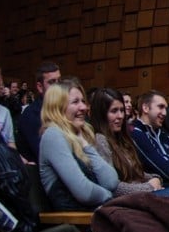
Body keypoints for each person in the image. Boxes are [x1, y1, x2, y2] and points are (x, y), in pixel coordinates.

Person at [89, 88, 169, 202]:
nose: (120, 116)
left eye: (122, 110)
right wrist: (148, 187)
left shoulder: (120, 138)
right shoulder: (100, 140)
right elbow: (113, 187)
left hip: (143, 192)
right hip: (128, 201)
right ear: (101, 114)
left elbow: (136, 173)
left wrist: (155, 178)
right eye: (114, 111)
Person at [38, 79, 118, 210]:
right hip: (78, 221)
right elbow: (84, 192)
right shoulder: (52, 135)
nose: (84, 107)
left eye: (83, 101)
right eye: (75, 102)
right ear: (57, 107)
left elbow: (111, 181)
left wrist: (85, 144)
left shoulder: (78, 135)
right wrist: (109, 196)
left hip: (98, 214)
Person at [17, 61, 62, 162]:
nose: (58, 86)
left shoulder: (63, 108)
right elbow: (48, 157)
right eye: (52, 82)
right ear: (40, 87)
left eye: (59, 81)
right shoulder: (30, 115)